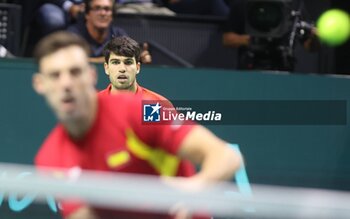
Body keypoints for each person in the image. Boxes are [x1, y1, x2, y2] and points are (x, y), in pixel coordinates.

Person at [32, 31, 242, 219]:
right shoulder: (50, 159)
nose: (66, 84)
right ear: (39, 84)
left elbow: (226, 157)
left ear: (90, 75)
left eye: (75, 72)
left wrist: (190, 190)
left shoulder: (146, 109)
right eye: (55, 75)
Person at [100, 35, 196, 177]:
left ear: (137, 67)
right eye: (115, 62)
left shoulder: (157, 105)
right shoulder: (94, 106)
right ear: (106, 68)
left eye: (128, 62)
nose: (122, 69)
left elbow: (175, 150)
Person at [222, 0, 318, 71]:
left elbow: (309, 47)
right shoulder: (244, 4)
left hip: (283, 71)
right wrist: (255, 40)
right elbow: (227, 39)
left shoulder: (294, 6)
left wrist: (315, 38)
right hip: (250, 69)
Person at [67, 0, 152, 63]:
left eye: (107, 9)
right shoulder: (74, 35)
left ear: (112, 15)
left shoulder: (119, 35)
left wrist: (141, 57)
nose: (103, 13)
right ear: (87, 14)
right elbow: (71, 61)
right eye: (97, 8)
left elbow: (127, 58)